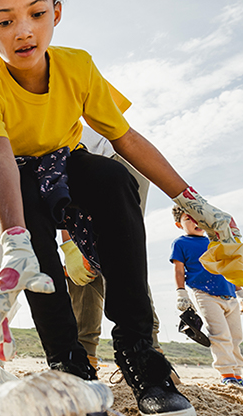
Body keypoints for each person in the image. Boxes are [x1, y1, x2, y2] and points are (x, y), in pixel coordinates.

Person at [0, 0, 243, 416]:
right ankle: (69, 367)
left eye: (37, 14)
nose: (24, 31)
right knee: (31, 242)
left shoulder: (77, 66)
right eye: (5, 22)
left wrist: (193, 201)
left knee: (115, 178)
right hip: (16, 175)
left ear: (56, 13)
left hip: (65, 162)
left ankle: (141, 360)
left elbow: (125, 138)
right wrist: (14, 240)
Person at [59, 125, 164, 371]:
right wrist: (69, 246)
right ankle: (86, 358)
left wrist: (69, 243)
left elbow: (61, 182)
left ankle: (150, 353)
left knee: (120, 255)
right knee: (84, 266)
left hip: (117, 161)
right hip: (72, 170)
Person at [172, 206, 243, 389]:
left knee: (236, 336)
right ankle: (227, 374)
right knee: (220, 334)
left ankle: (237, 375)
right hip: (204, 294)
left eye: (198, 218)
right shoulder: (181, 243)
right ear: (179, 224)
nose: (195, 222)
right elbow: (179, 269)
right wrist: (181, 292)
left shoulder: (217, 242)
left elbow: (231, 269)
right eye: (189, 219)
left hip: (230, 295)